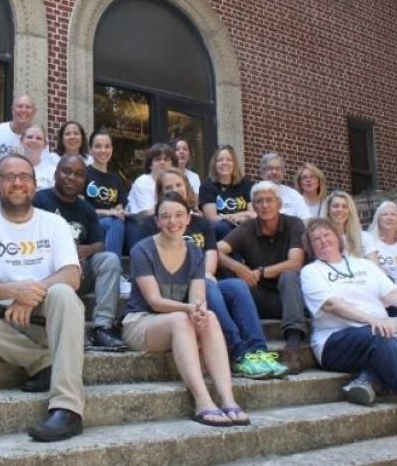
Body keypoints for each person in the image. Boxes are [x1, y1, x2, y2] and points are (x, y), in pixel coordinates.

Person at [0, 154, 85, 442]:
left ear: (34, 185)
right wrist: (11, 290)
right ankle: (42, 362)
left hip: (48, 321)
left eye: (24, 177)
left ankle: (68, 408)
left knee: (64, 293)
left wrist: (30, 293)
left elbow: (72, 275)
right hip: (4, 322)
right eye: (9, 177)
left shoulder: (53, 224)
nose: (17, 183)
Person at [301, 218, 397, 440]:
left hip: (380, 336)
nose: (323, 241)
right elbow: (331, 304)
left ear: (338, 238)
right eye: (316, 238)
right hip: (335, 343)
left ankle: (369, 379)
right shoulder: (311, 272)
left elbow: (392, 293)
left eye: (326, 235)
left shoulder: (364, 265)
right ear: (311, 246)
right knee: (380, 336)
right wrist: (371, 319)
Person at [144, 168, 286, 379]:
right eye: (168, 187)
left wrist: (204, 275)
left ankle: (259, 351)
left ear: (187, 188)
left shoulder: (201, 223)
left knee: (237, 286)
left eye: (179, 185)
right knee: (208, 285)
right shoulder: (156, 223)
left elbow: (211, 258)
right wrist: (200, 278)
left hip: (205, 279)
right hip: (175, 288)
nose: (175, 190)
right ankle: (239, 353)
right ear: (160, 193)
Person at [123, 192, 250, 426]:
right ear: (157, 221)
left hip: (178, 320)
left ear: (189, 219)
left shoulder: (195, 253)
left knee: (210, 316)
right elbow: (154, 301)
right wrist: (189, 309)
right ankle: (202, 401)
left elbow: (197, 298)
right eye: (166, 216)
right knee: (182, 319)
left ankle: (228, 399)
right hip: (141, 323)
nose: (173, 222)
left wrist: (199, 311)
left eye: (179, 215)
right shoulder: (142, 250)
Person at [33, 155, 126, 349]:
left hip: (80, 270)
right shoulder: (40, 201)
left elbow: (100, 243)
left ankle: (102, 327)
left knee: (109, 259)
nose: (71, 177)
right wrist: (64, 253)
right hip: (48, 274)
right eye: (66, 171)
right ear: (56, 173)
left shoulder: (86, 209)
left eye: (78, 174)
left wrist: (87, 249)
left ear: (84, 180)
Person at [217, 181, 307, 374]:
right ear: (253, 206)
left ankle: (292, 346)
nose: (265, 205)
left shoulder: (294, 224)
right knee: (236, 285)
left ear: (279, 204)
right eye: (259, 201)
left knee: (289, 276)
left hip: (289, 299)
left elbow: (295, 263)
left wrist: (261, 271)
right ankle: (245, 351)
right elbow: (215, 251)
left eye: (269, 200)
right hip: (257, 296)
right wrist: (239, 267)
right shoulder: (248, 228)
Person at [125, 143, 177, 252]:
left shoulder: (175, 182)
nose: (162, 162)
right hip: (140, 227)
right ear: (150, 164)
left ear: (172, 164)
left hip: (164, 224)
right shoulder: (143, 182)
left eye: (166, 159)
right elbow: (147, 213)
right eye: (158, 159)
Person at [85, 128, 127, 260]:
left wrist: (118, 211)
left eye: (107, 146)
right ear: (90, 149)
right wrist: (108, 212)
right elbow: (81, 209)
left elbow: (120, 207)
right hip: (90, 223)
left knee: (116, 223)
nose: (103, 150)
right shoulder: (84, 174)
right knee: (114, 223)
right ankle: (114, 269)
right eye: (98, 146)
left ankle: (110, 266)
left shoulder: (116, 178)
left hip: (111, 224)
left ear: (112, 149)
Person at [199, 145, 255, 240]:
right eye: (220, 160)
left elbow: (253, 214)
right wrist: (237, 216)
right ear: (214, 164)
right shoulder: (207, 186)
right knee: (222, 227)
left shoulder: (246, 184)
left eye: (229, 159)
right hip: (222, 234)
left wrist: (228, 217)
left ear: (234, 163)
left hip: (245, 230)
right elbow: (212, 219)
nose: (224, 163)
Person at [321, 190, 378, 261]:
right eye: (335, 206)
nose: (340, 209)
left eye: (344, 207)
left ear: (350, 211)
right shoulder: (321, 240)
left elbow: (375, 267)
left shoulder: (364, 237)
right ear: (328, 210)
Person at [0, 94, 37, 168]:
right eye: (20, 106)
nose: (23, 110)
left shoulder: (38, 138)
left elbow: (41, 169)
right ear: (12, 110)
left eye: (28, 107)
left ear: (34, 112)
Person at [259, 152, 310, 220]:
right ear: (262, 172)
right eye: (270, 168)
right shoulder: (253, 194)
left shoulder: (293, 195)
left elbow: (306, 219)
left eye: (278, 169)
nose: (274, 172)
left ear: (283, 172)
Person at [20, 124, 56, 190]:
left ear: (45, 144)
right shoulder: (9, 167)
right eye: (29, 137)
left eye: (39, 138)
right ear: (21, 141)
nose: (34, 141)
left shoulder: (52, 172)